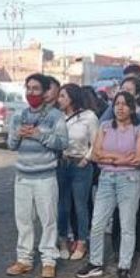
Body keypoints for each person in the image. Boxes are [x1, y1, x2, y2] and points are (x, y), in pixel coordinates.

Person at [76, 91, 140, 278]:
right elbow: (95, 154)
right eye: (117, 103)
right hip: (107, 178)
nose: (120, 108)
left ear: (132, 108)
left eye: (125, 104)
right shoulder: (105, 126)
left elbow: (139, 159)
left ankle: (124, 267)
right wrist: (120, 158)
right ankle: (95, 262)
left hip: (129, 180)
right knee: (97, 223)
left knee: (127, 225)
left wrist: (108, 157)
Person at [6, 73, 69, 278]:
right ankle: (24, 259)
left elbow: (62, 143)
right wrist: (18, 134)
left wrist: (39, 135)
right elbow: (11, 145)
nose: (31, 92)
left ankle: (49, 260)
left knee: (48, 219)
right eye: (29, 88)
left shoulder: (55, 116)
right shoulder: (18, 115)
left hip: (45, 177)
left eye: (36, 89)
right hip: (23, 176)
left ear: (44, 92)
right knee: (23, 220)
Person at [103, 76, 140, 261]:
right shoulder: (115, 111)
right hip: (117, 168)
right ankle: (119, 247)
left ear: (137, 94)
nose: (124, 93)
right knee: (118, 210)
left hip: (139, 167)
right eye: (122, 89)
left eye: (129, 90)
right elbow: (101, 124)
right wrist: (113, 104)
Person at [56, 83, 99, 261]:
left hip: (81, 164)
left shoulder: (88, 117)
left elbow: (96, 142)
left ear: (72, 98)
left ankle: (82, 241)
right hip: (63, 163)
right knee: (63, 205)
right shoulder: (58, 117)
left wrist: (86, 159)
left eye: (63, 96)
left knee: (81, 205)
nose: (59, 100)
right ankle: (63, 240)